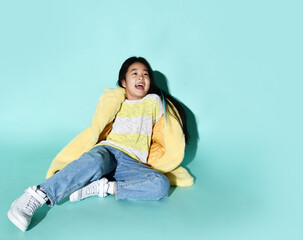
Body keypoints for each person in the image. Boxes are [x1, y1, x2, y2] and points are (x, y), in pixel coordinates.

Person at [8, 56, 194, 232]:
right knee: (95, 161)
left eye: (146, 74)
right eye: (134, 73)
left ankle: (102, 187)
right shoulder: (117, 100)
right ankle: (37, 195)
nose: (141, 77)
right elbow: (100, 121)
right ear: (123, 82)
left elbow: (167, 129)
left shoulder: (154, 102)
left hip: (132, 163)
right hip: (109, 151)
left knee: (161, 185)